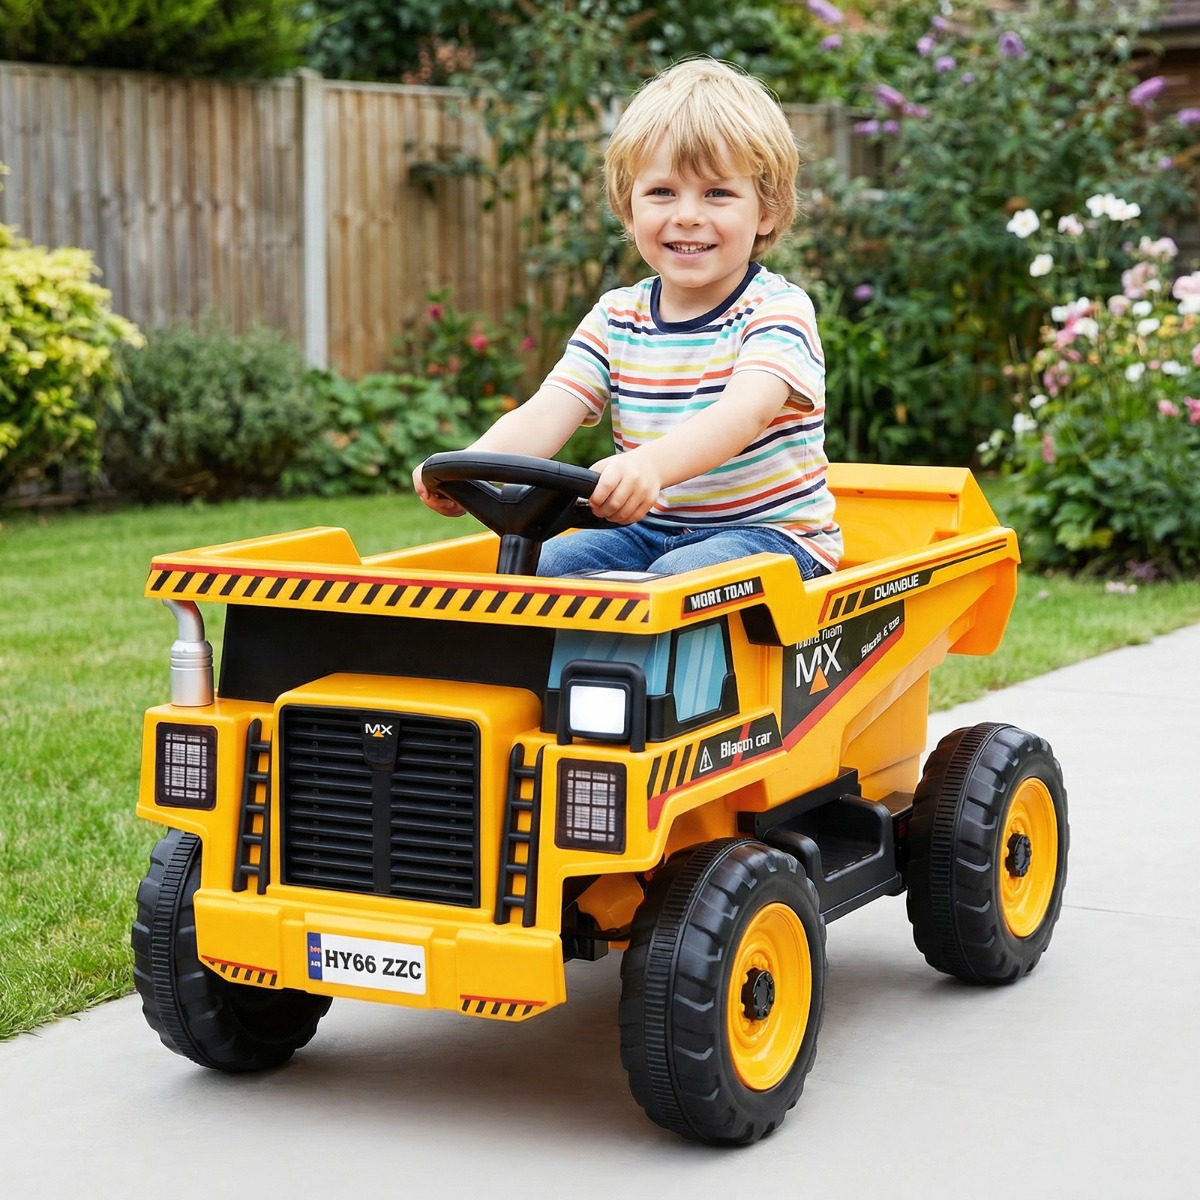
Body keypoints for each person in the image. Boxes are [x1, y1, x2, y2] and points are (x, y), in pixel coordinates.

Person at [414, 56, 841, 580]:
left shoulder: (777, 310)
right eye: (662, 191)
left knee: (687, 577)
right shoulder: (617, 317)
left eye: (718, 193)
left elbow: (742, 414)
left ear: (768, 209)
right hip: (646, 530)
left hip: (770, 536)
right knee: (536, 571)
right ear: (628, 206)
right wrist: (465, 464)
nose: (686, 213)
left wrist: (648, 466)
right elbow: (549, 410)